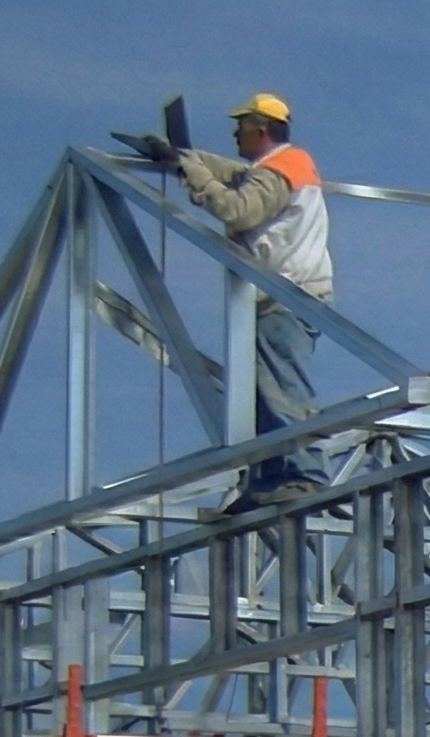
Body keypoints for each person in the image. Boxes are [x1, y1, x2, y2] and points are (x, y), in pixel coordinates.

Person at [171, 94, 334, 512]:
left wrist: (197, 176)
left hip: (285, 294)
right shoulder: (281, 167)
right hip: (281, 294)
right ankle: (268, 479)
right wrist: (185, 158)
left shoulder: (281, 170)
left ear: (261, 129)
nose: (234, 132)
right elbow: (239, 175)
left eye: (240, 125)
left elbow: (237, 208)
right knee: (262, 392)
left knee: (282, 390)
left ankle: (302, 476)